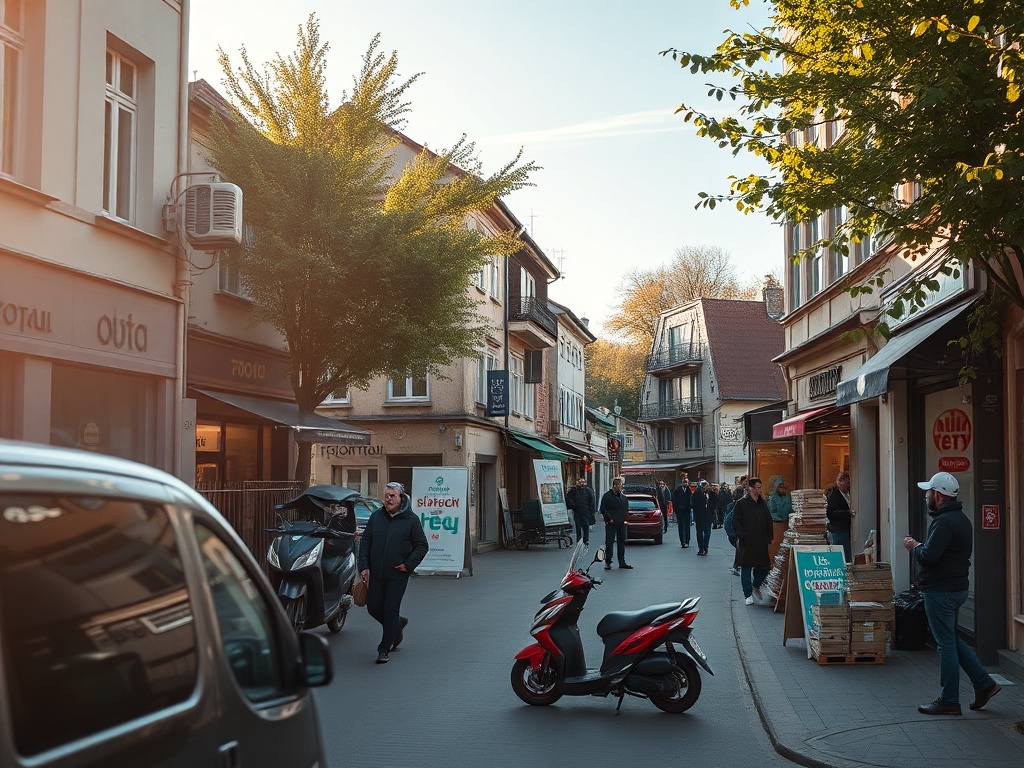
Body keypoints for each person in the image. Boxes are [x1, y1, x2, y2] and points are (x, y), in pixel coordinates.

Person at [903, 472, 1001, 716]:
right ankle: (984, 684)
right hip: (955, 588)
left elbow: (929, 556)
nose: (926, 497)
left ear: (938, 495)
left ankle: (949, 699)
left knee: (945, 645)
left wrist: (914, 546)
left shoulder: (944, 522)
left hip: (941, 591)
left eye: (928, 493)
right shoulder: (960, 519)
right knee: (952, 639)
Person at [358, 481, 429, 664]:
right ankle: (397, 624)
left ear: (401, 498)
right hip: (376, 573)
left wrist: (408, 565)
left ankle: (384, 648)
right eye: (386, 495)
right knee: (373, 607)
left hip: (397, 574)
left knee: (390, 608)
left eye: (392, 496)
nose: (388, 499)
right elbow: (366, 542)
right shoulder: (376, 517)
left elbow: (422, 546)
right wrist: (364, 566)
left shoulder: (411, 520)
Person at [733, 477, 773, 605]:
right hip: (748, 542)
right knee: (746, 567)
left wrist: (769, 536)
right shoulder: (741, 503)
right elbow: (736, 521)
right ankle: (747, 594)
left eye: (761, 487)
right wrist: (742, 536)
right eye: (757, 487)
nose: (760, 490)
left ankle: (756, 585)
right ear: (750, 488)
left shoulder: (762, 503)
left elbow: (768, 520)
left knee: (765, 567)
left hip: (761, 541)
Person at [599, 476, 632, 570]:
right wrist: (609, 518)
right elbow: (602, 509)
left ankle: (622, 562)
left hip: (621, 523)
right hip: (611, 523)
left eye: (621, 485)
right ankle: (608, 562)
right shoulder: (607, 496)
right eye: (620, 485)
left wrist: (625, 516)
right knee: (609, 543)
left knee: (621, 542)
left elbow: (626, 508)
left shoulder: (623, 497)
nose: (621, 487)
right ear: (614, 486)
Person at [826, 470, 854, 562]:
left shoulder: (847, 494)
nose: (849, 485)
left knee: (847, 555)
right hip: (838, 531)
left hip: (845, 530)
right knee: (840, 557)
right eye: (847, 483)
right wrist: (847, 513)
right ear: (841, 482)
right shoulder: (834, 495)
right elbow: (830, 513)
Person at [766, 478, 792, 564]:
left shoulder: (786, 497)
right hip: (775, 524)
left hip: (785, 523)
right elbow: (777, 510)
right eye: (780, 486)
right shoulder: (773, 498)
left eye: (783, 486)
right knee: (775, 545)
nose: (782, 488)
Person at [567, 475, 596, 545]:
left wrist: (592, 511)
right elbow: (569, 498)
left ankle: (586, 539)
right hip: (577, 511)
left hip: (585, 510)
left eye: (583, 482)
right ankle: (579, 539)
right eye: (580, 482)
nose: (581, 483)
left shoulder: (588, 490)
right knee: (578, 526)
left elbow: (592, 501)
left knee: (585, 525)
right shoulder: (574, 491)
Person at [692, 480, 714, 556]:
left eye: (706, 486)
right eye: (703, 486)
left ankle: (705, 546)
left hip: (708, 516)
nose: (704, 487)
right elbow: (693, 504)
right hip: (699, 516)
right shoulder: (697, 493)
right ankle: (701, 548)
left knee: (707, 532)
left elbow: (715, 504)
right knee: (699, 533)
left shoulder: (711, 493)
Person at [673, 473, 692, 548]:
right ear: (682, 483)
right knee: (681, 526)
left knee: (687, 526)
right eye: (684, 482)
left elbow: (691, 500)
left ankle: (687, 540)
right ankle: (682, 541)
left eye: (686, 482)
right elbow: (674, 500)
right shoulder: (677, 490)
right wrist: (675, 510)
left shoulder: (689, 490)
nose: (685, 484)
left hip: (687, 511)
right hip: (680, 511)